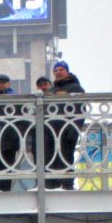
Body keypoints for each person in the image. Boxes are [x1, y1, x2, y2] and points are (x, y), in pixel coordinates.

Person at [44, 60, 86, 190]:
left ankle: (67, 185)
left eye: (61, 69)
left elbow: (80, 109)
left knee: (66, 157)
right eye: (55, 70)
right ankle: (51, 185)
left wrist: (74, 129)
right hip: (50, 129)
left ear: (67, 71)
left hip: (67, 129)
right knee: (50, 157)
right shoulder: (51, 90)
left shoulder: (75, 88)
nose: (58, 72)